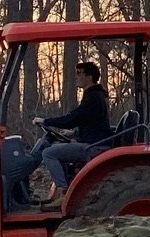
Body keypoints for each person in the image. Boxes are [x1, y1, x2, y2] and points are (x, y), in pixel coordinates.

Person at [36, 59, 110, 202]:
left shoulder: (93, 98)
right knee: (56, 147)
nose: (76, 76)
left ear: (89, 77)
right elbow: (91, 122)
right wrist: (74, 133)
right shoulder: (95, 96)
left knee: (48, 153)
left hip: (92, 146)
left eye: (79, 73)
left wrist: (46, 121)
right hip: (93, 140)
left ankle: (62, 193)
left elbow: (71, 119)